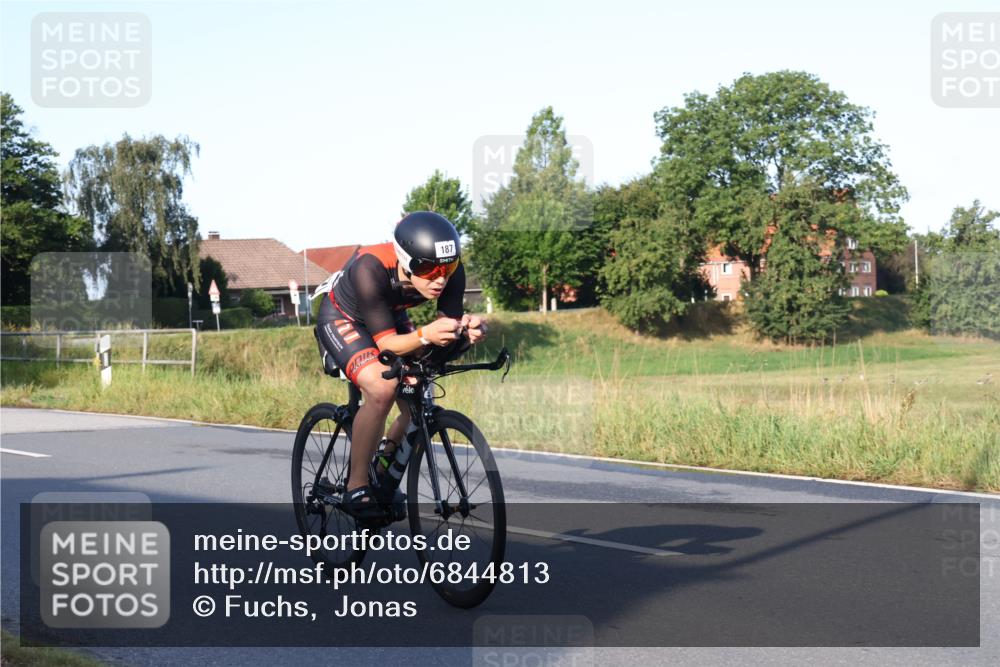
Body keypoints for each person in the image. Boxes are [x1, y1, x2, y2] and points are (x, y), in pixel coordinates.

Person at [315, 211, 487, 518]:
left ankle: (383, 465)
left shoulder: (450, 272)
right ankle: (357, 485)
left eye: (448, 268)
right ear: (407, 261)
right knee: (383, 387)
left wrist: (464, 333)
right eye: (431, 271)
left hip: (387, 314)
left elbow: (442, 337)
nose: (440, 279)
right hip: (344, 318)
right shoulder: (370, 266)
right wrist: (424, 335)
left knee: (416, 393)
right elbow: (387, 345)